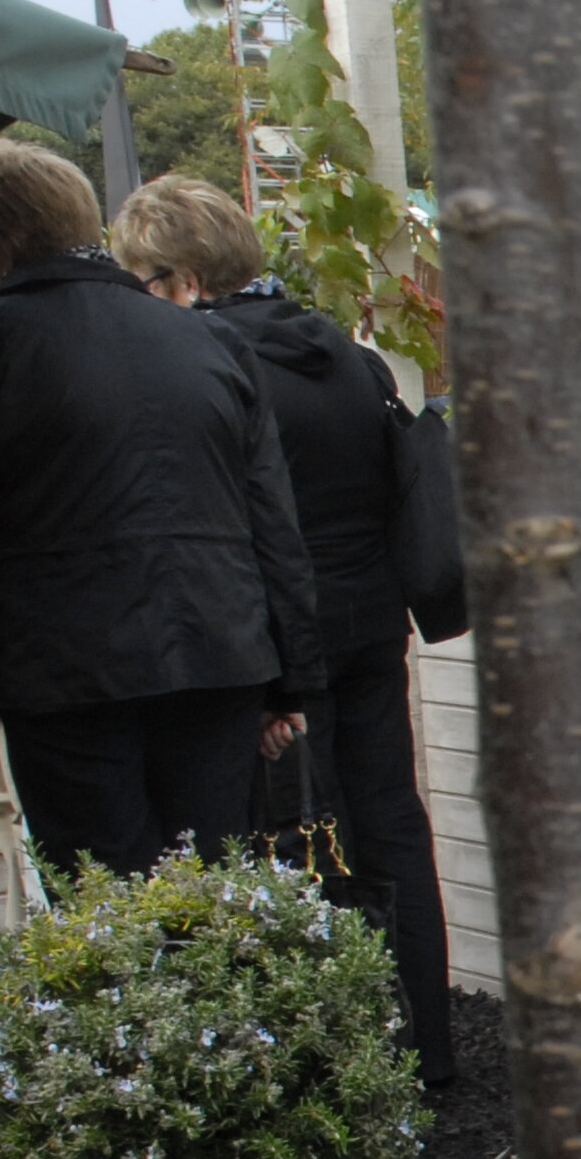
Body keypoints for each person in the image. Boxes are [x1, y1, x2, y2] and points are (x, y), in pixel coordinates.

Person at [111, 174, 457, 1092]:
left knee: (297, 839)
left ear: (179, 279)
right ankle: (428, 1047)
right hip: (373, 622)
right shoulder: (345, 356)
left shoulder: (204, 363)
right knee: (390, 821)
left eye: (142, 280)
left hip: (277, 639)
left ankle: (335, 1060)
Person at [0, 141, 316, 881]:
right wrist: (292, 682)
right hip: (219, 651)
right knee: (216, 897)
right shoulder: (209, 338)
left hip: (67, 672)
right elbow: (271, 522)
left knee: (106, 904)